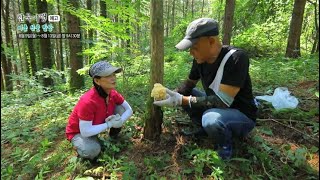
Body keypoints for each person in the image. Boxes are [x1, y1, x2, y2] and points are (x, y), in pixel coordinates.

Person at [153, 18, 257, 160]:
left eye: (194, 47)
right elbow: (188, 85)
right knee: (188, 95)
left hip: (241, 115)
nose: (191, 52)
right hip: (216, 108)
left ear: (211, 41)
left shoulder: (235, 58)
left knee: (210, 118)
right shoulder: (200, 59)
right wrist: (172, 94)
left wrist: (182, 100)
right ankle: (204, 129)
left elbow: (222, 102)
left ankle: (224, 147)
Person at [65, 60, 133, 160]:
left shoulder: (112, 93)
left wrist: (119, 122)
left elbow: (129, 109)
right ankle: (81, 145)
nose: (113, 78)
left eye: (113, 74)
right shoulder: (88, 101)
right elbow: (85, 131)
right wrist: (110, 124)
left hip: (95, 126)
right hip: (79, 132)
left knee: (121, 109)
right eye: (108, 76)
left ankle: (113, 137)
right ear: (97, 81)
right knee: (92, 150)